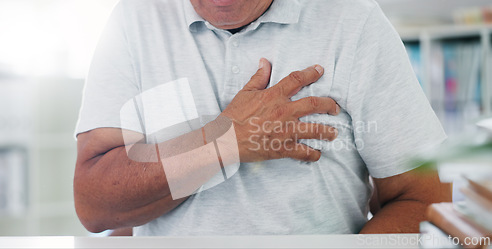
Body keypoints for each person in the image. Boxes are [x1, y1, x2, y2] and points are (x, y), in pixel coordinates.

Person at [74, 0, 452, 236]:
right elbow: (94, 204)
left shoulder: (354, 21)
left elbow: (424, 201)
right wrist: (224, 142)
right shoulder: (132, 19)